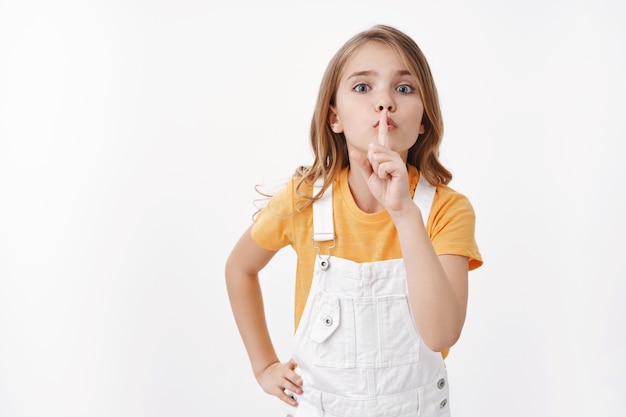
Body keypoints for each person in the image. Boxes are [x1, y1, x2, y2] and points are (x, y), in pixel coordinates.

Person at [225, 24, 483, 417]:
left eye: (404, 88)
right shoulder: (305, 201)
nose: (384, 102)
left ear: (424, 122)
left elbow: (441, 334)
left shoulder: (446, 211)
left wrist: (404, 214)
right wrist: (264, 365)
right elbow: (240, 268)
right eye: (363, 88)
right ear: (334, 118)